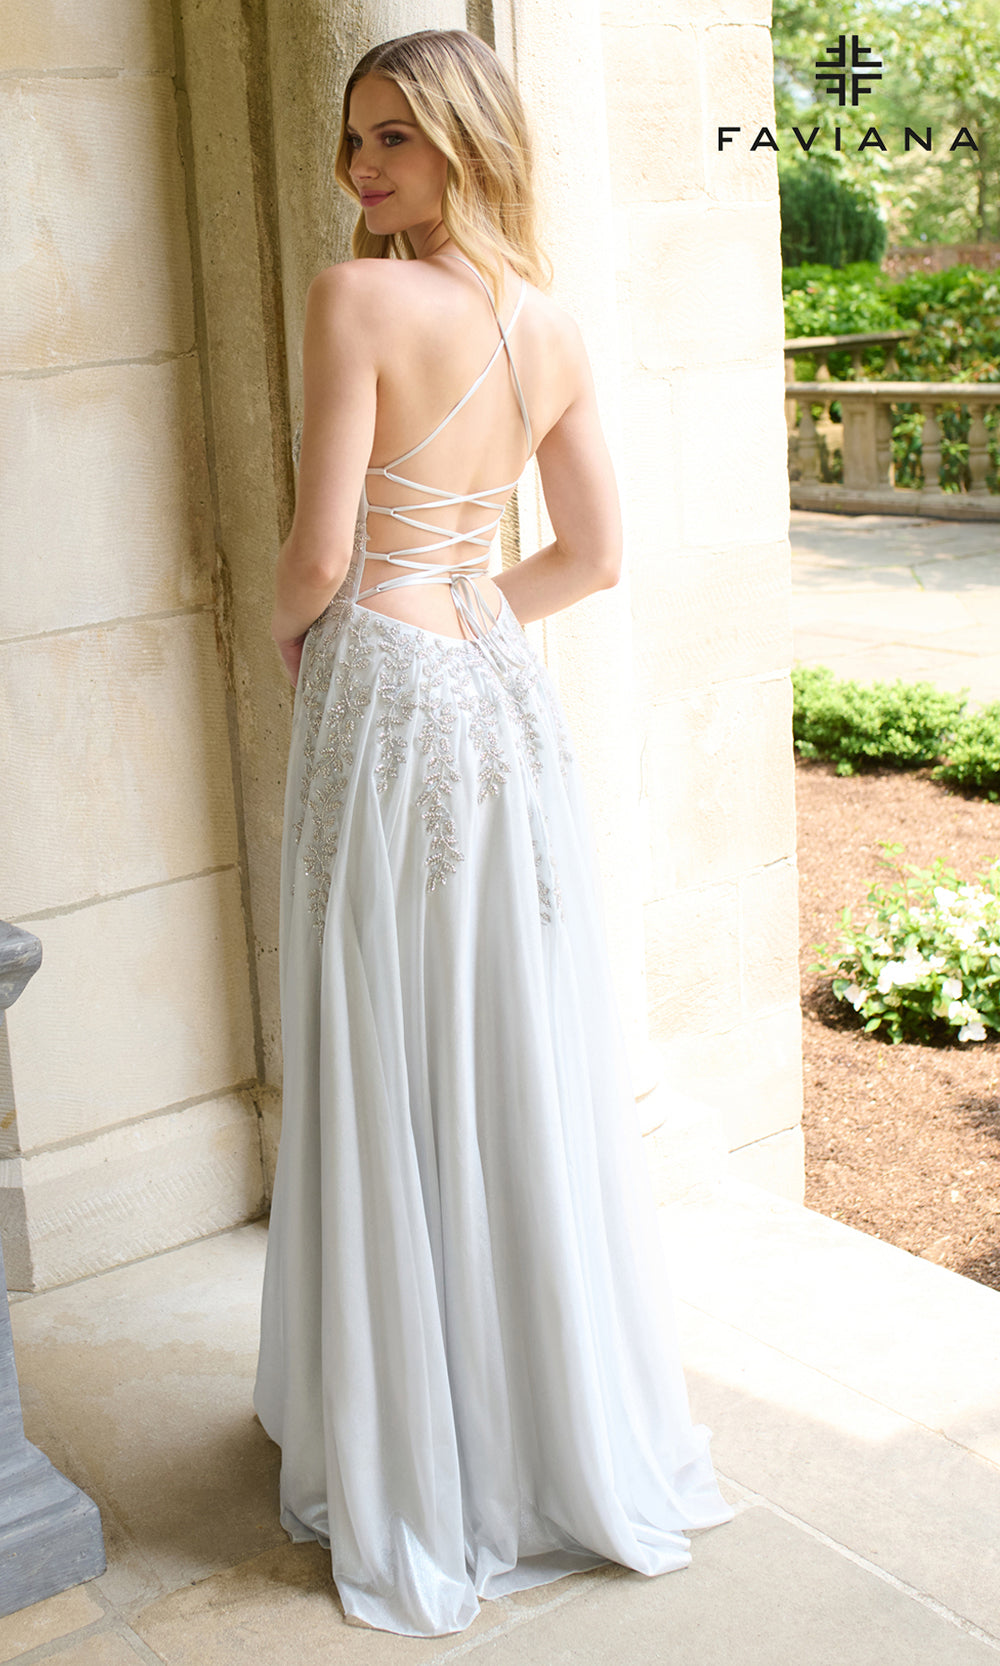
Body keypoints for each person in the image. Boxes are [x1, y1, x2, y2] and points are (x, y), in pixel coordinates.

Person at [252, 27, 733, 1639]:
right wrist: (473, 614)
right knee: (502, 1041)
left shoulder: (355, 298)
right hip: (496, 702)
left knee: (390, 1036)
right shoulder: (552, 324)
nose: (364, 170)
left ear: (464, 138)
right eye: (353, 142)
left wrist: (297, 629)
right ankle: (538, 1435)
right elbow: (591, 555)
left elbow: (321, 550)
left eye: (393, 138)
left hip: (385, 696)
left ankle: (420, 1452)